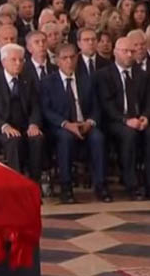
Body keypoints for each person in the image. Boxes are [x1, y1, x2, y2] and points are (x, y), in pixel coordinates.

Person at [40, 43, 107, 203]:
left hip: (84, 124)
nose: (69, 61)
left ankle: (100, 186)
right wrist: (66, 124)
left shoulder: (86, 80)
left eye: (72, 57)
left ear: (77, 58)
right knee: (66, 139)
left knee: (98, 138)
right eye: (65, 58)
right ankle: (66, 188)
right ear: (57, 61)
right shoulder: (48, 82)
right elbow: (46, 110)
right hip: (62, 126)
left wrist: (89, 122)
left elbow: (96, 107)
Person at [97, 36, 150, 200]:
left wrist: (146, 117)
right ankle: (132, 185)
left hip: (139, 119)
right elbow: (107, 105)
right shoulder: (105, 75)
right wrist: (126, 120)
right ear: (115, 53)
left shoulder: (142, 75)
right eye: (125, 51)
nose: (129, 55)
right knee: (129, 135)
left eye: (132, 51)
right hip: (117, 121)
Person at [0, 43, 44, 183]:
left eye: (21, 60)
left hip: (25, 126)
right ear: (3, 61)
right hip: (2, 127)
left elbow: (36, 106)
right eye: (14, 60)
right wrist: (4, 126)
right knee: (13, 141)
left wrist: (34, 124)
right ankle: (17, 184)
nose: (18, 63)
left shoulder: (28, 78)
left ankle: (34, 184)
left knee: (37, 139)